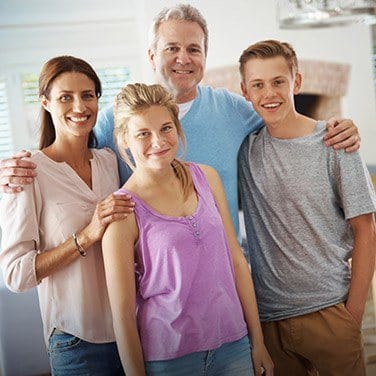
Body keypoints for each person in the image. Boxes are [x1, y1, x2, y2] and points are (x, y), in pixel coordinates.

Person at [0, 4, 361, 241]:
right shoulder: (115, 121)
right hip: (155, 289)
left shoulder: (235, 110)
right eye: (172, 48)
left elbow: (285, 121)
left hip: (225, 278)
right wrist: (16, 167)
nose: (183, 59)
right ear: (152, 54)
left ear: (205, 55)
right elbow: (65, 155)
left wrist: (331, 126)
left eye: (194, 49)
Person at [101, 83, 274, 376]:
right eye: (143, 133)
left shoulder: (207, 177)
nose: (158, 141)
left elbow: (236, 261)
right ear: (124, 140)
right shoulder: (121, 211)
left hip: (234, 344)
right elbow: (123, 317)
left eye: (166, 128)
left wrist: (257, 342)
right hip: (170, 359)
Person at [237, 39, 376, 376]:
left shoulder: (334, 142)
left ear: (296, 82)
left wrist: (351, 317)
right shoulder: (245, 152)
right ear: (245, 91)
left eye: (278, 82)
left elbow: (366, 230)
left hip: (330, 312)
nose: (269, 93)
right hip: (269, 320)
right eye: (258, 84)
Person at [0, 56, 133, 375]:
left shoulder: (109, 161)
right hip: (76, 344)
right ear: (45, 102)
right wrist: (86, 236)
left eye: (88, 95)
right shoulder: (28, 171)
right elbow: (16, 275)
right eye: (65, 97)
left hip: (130, 333)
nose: (79, 106)